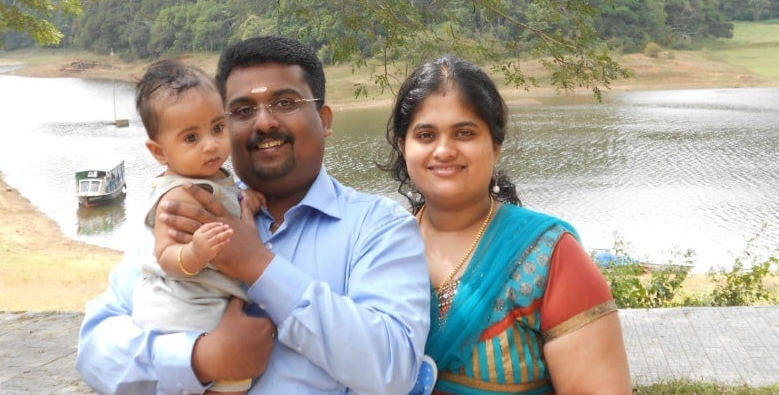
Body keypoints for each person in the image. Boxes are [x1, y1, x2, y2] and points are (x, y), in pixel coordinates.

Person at [77, 36, 432, 395]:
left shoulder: (380, 228)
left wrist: (258, 265)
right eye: (242, 111)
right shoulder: (185, 211)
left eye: (285, 102)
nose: (264, 123)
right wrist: (199, 359)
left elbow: (394, 369)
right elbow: (96, 352)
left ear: (324, 119)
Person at [382, 54, 632, 395]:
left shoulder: (548, 255)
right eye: (426, 135)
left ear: (495, 146)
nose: (443, 150)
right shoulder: (379, 245)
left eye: (464, 133)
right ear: (403, 146)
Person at [132, 59, 262, 395]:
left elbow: (227, 197)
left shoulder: (210, 177)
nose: (211, 144)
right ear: (160, 152)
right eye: (191, 137)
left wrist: (246, 200)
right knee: (230, 380)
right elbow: (165, 255)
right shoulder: (179, 197)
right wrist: (193, 252)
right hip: (183, 316)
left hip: (209, 311)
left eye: (218, 128)